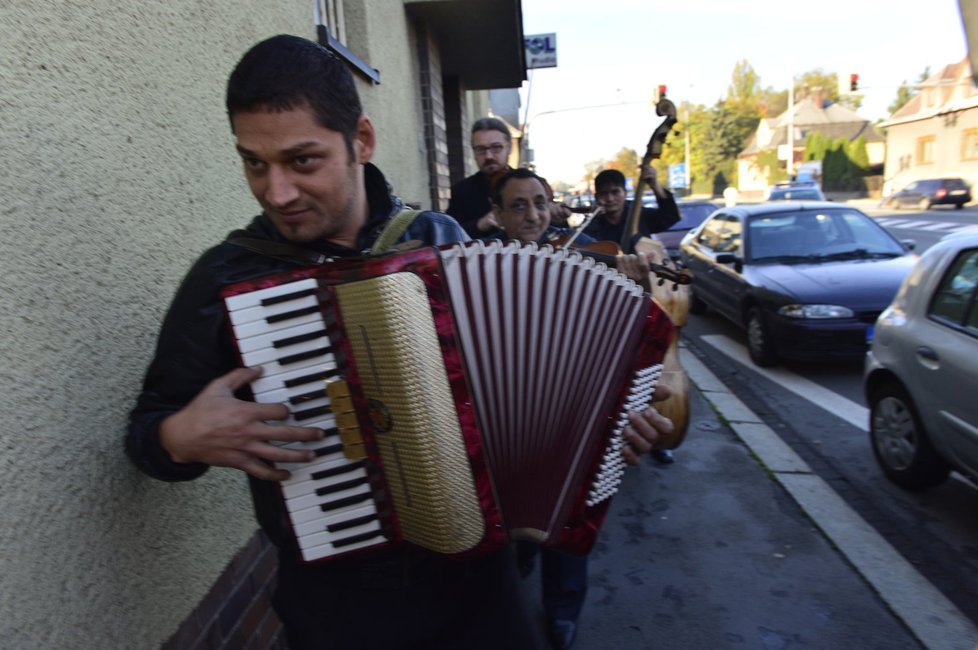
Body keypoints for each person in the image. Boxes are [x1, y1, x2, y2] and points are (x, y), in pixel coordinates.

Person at [125, 35, 674, 650]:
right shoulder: (228, 277)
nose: (275, 191)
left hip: (478, 591)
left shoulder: (437, 239)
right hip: (339, 607)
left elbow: (538, 382)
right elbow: (147, 433)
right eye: (255, 163)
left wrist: (606, 428)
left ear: (361, 140)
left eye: (302, 161)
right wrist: (180, 436)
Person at [485, 168, 659, 649]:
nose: (532, 214)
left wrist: (635, 283)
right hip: (508, 415)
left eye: (540, 202)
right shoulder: (480, 268)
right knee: (514, 502)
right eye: (517, 205)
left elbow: (628, 333)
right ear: (497, 214)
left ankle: (564, 609)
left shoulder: (585, 262)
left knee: (567, 511)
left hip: (574, 410)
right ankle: (521, 558)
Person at [447, 117, 569, 239]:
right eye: (481, 149)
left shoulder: (536, 184)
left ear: (509, 148)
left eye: (496, 147)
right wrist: (479, 225)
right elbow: (448, 236)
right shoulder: (461, 191)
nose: (488, 156)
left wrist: (557, 217)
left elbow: (561, 235)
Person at [584, 166, 681, 254]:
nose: (610, 198)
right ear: (597, 197)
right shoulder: (593, 223)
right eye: (604, 193)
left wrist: (655, 185)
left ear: (625, 193)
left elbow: (670, 217)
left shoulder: (638, 214)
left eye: (615, 192)